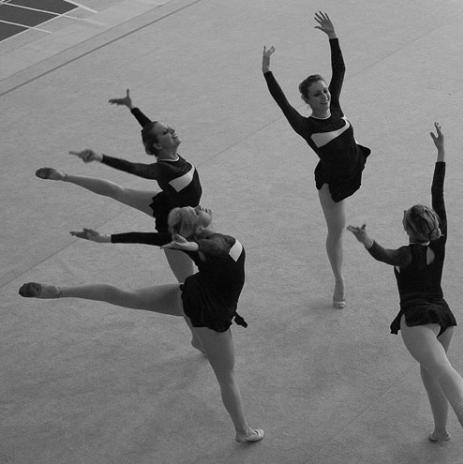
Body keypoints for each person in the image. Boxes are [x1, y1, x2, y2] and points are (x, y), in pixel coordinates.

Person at [18, 206, 264, 444]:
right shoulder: (217, 244)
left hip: (187, 296)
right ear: (195, 226)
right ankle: (243, 431)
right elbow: (215, 248)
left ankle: (59, 291)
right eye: (195, 210)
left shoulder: (194, 238)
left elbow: (144, 237)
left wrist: (105, 238)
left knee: (128, 296)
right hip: (209, 314)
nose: (197, 205)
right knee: (227, 377)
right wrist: (194, 246)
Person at [35, 90, 205, 347]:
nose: (172, 130)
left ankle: (63, 176)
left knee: (119, 192)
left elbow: (150, 128)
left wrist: (132, 108)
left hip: (169, 204)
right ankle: (197, 338)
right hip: (177, 228)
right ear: (159, 146)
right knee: (187, 287)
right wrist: (101, 157)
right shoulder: (163, 168)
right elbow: (135, 168)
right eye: (166, 132)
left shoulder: (169, 154)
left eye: (168, 128)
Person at [347, 123, 463, 444]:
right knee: (431, 372)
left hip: (418, 320)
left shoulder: (407, 254)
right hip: (444, 317)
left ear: (407, 229)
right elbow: (439, 194)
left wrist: (366, 239)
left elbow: (384, 255)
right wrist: (441, 152)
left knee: (441, 368)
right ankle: (441, 430)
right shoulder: (439, 243)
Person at [263, 11, 371, 309]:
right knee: (336, 231)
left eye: (324, 91)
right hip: (332, 182)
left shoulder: (335, 105)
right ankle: (339, 279)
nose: (324, 96)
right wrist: (267, 70)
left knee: (341, 221)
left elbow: (340, 69)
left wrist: (333, 37)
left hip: (354, 164)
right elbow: (281, 101)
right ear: (307, 100)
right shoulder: (305, 126)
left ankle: (338, 278)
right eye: (317, 94)